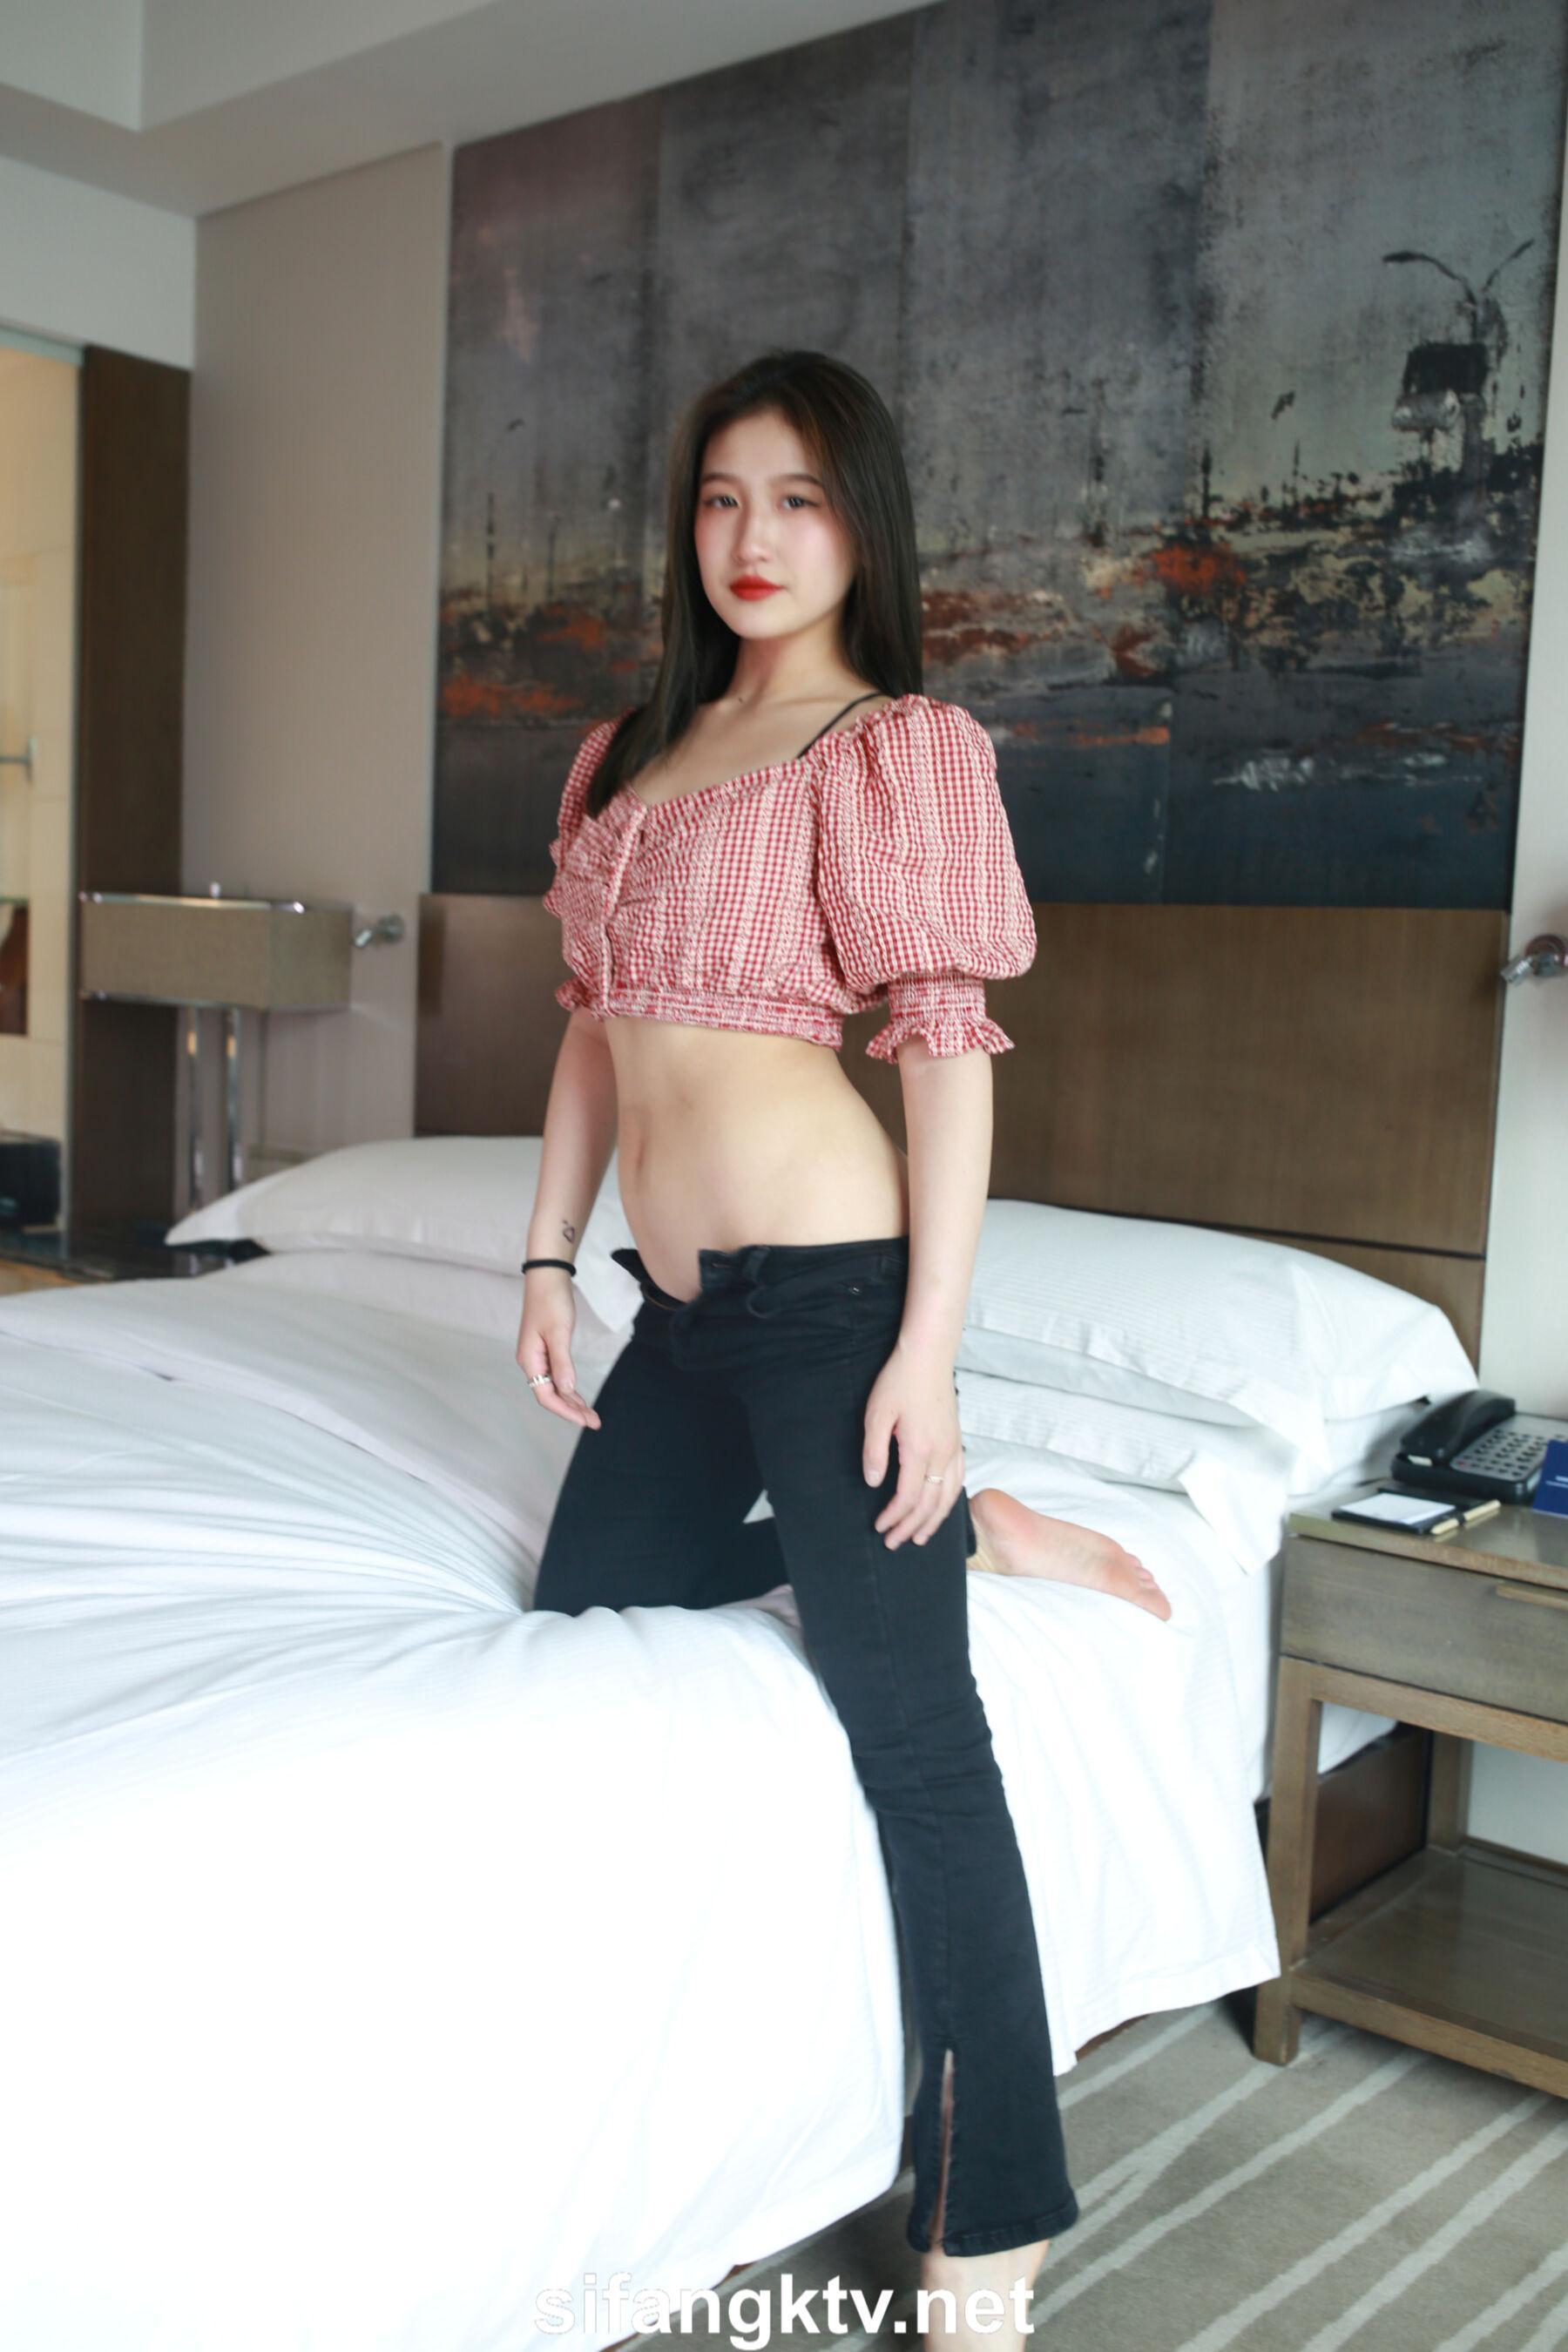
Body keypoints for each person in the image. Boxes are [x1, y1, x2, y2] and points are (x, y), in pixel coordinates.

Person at [519, 349, 1158, 2348]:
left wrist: (927, 1357)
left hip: (829, 1299)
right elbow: (591, 1032)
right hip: (680, 1314)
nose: (754, 536)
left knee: (917, 1737)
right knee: (587, 1600)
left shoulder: (895, 748)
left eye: (797, 497)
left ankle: (993, 2215)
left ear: (859, 524)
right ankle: (957, 1531)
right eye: (723, 496)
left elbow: (946, 1055)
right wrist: (543, 1253)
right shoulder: (627, 751)